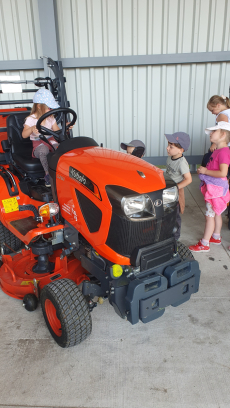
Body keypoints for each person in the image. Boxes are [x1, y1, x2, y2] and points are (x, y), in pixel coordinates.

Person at [189, 122, 230, 253]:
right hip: (214, 189)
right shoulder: (217, 150)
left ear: (223, 134)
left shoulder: (223, 152)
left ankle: (204, 243)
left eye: (214, 131)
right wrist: (204, 171)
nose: (211, 134)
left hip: (215, 191)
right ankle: (216, 236)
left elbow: (223, 173)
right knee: (216, 213)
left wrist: (205, 171)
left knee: (209, 216)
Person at [165, 132, 192, 240]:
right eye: (168, 145)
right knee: (167, 212)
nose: (167, 148)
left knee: (175, 215)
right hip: (168, 190)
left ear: (181, 150)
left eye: (171, 147)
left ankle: (175, 238)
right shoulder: (170, 157)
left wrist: (176, 187)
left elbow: (189, 179)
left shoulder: (181, 162)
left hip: (176, 192)